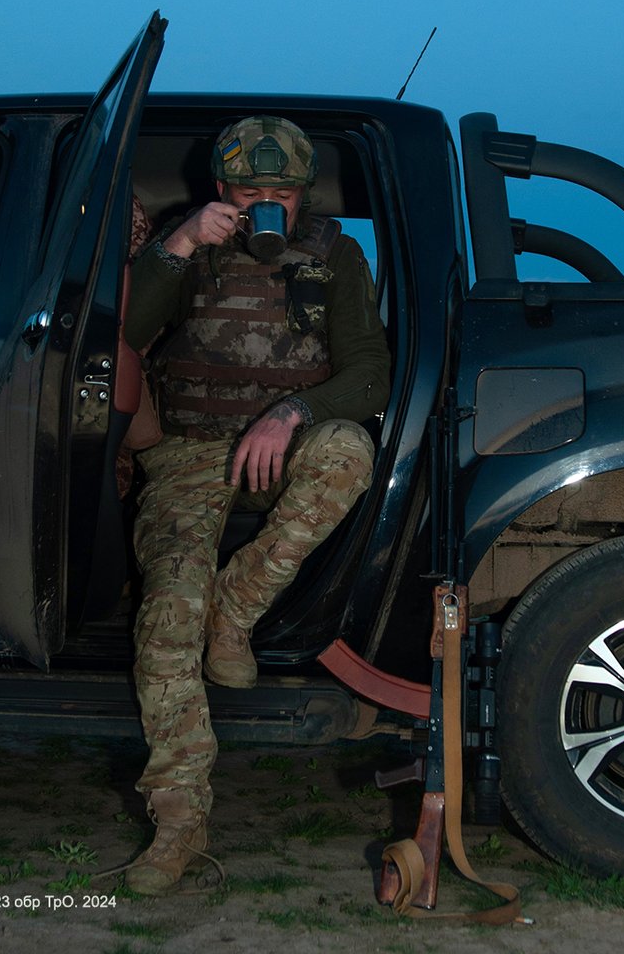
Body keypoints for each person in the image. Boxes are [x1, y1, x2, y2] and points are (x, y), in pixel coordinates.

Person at [121, 115, 390, 894]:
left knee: (348, 450)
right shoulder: (185, 249)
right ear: (221, 190)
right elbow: (120, 343)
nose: (266, 203)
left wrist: (294, 412)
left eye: (282, 192)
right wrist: (176, 249)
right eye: (249, 191)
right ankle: (178, 821)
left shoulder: (335, 255)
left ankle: (236, 607)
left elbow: (369, 373)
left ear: (303, 193)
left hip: (281, 447)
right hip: (190, 453)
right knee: (168, 610)